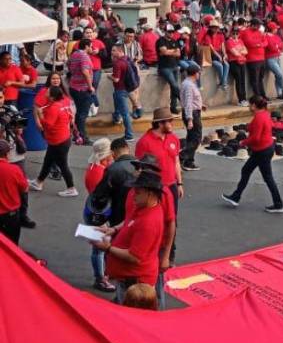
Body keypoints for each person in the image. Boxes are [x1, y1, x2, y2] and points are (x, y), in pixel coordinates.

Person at [95, 169, 165, 304]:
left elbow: (135, 257)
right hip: (128, 279)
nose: (133, 195)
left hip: (135, 283)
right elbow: (129, 220)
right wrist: (113, 229)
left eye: (138, 192)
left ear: (150, 194)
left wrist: (108, 248)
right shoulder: (144, 207)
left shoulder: (149, 222)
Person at [221, 95, 283, 214]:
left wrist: (242, 142)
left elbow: (255, 138)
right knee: (247, 170)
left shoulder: (259, 117)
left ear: (254, 106)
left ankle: (278, 204)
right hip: (264, 148)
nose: (249, 107)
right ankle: (236, 197)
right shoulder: (265, 114)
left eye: (250, 105)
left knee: (267, 177)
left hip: (262, 150)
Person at [30, 85, 78, 197]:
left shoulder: (54, 108)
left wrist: (40, 115)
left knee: (63, 165)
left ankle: (71, 188)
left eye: (48, 92)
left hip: (58, 141)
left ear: (52, 97)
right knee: (48, 162)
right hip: (61, 139)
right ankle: (38, 182)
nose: (45, 93)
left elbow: (48, 125)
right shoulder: (60, 104)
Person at [0, 140, 28, 246]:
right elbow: (24, 189)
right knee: (12, 244)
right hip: (10, 214)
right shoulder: (14, 170)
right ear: (7, 154)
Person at [67, 39, 94, 143]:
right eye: (90, 46)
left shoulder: (74, 54)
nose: (92, 48)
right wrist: (90, 86)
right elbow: (85, 71)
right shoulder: (84, 56)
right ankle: (83, 137)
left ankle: (77, 135)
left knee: (78, 113)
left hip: (74, 86)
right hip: (82, 88)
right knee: (82, 114)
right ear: (86, 46)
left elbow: (68, 65)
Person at [179, 65, 205, 172]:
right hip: (192, 114)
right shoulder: (189, 85)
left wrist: (201, 105)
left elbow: (192, 100)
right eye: (199, 72)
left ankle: (189, 161)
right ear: (195, 73)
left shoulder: (188, 83)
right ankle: (182, 156)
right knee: (196, 138)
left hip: (193, 112)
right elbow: (188, 102)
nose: (199, 74)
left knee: (191, 138)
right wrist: (190, 119)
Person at [156, 27, 184, 114]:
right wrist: (173, 51)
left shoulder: (174, 41)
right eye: (169, 32)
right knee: (174, 85)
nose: (171, 33)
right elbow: (164, 52)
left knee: (174, 87)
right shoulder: (160, 41)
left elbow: (178, 54)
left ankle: (173, 107)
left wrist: (168, 51)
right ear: (165, 32)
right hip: (165, 67)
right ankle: (184, 101)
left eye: (172, 32)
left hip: (174, 66)